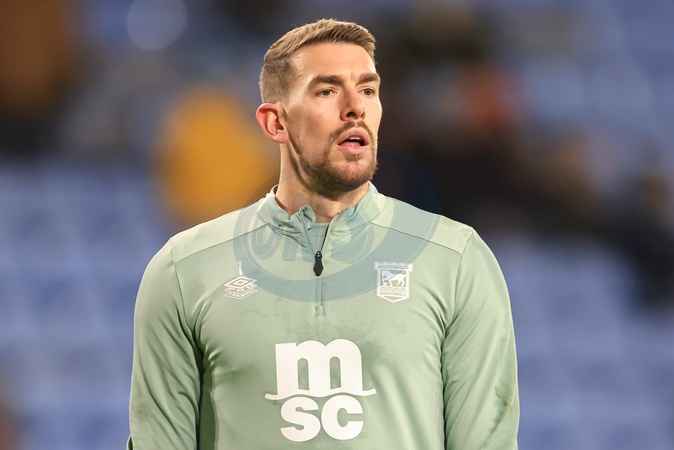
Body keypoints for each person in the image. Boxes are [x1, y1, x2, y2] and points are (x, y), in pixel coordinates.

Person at [128, 18, 519, 449]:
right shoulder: (184, 271)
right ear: (275, 123)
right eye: (327, 91)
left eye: (368, 90)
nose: (355, 108)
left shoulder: (455, 260)